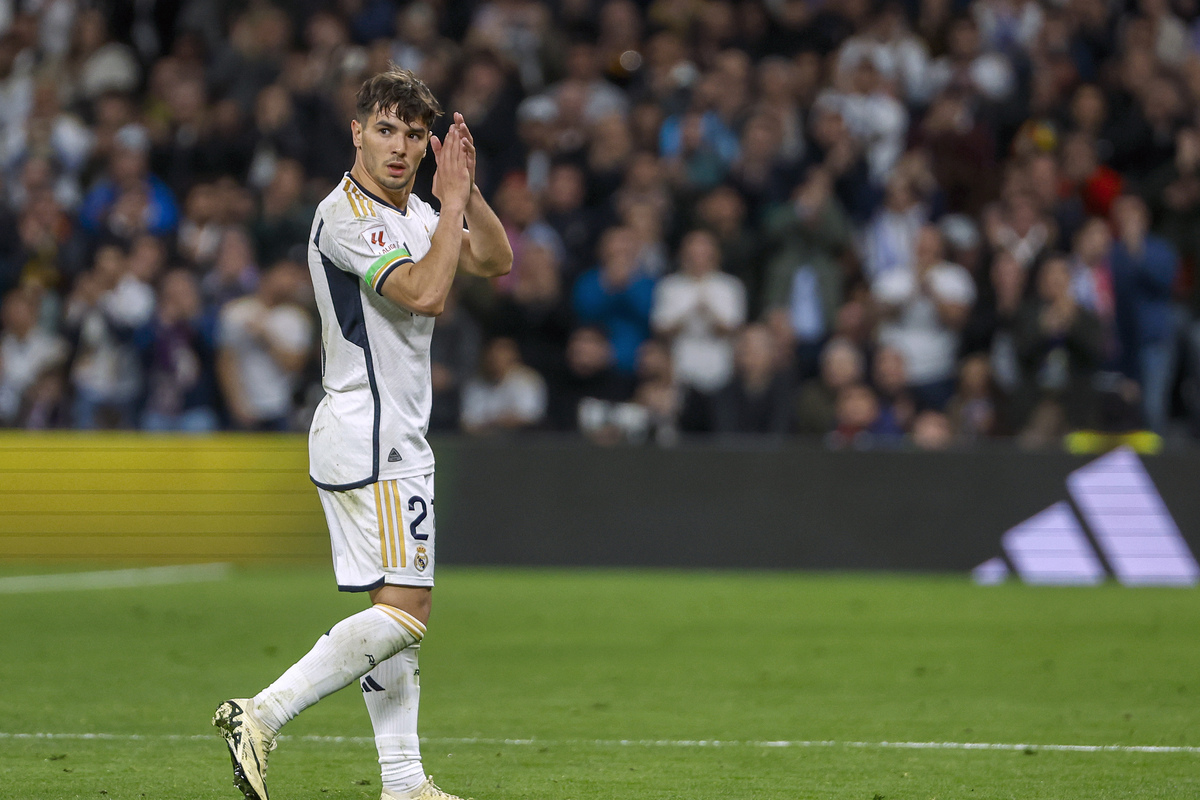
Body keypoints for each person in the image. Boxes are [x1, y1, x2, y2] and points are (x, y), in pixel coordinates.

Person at [213, 67, 512, 800]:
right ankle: (262, 712)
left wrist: (464, 191)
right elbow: (428, 292)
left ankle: (404, 783)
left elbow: (497, 260)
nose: (400, 146)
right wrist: (447, 209)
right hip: (371, 436)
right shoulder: (344, 216)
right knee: (408, 612)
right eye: (385, 129)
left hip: (386, 437)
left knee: (393, 608)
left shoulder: (416, 213)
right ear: (356, 132)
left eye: (414, 134)